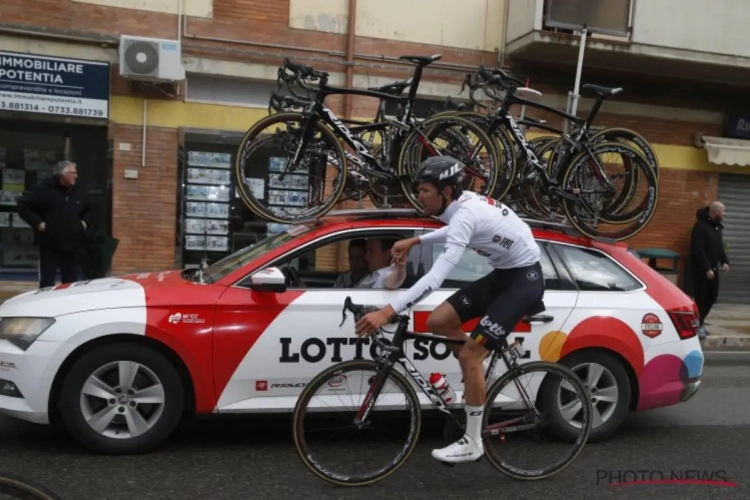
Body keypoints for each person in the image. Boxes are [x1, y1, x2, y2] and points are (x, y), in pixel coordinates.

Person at [355, 155, 544, 464]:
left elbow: (434, 278)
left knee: (470, 355)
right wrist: (417, 240)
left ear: (445, 191)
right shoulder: (458, 206)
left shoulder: (466, 213)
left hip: (524, 280)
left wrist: (387, 311)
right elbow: (454, 230)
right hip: (503, 274)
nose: (418, 197)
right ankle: (477, 379)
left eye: (424, 190)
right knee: (439, 321)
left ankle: (473, 441)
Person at [16, 160, 92, 288]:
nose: (76, 176)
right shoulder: (43, 190)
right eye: (72, 173)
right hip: (49, 242)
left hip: (72, 242)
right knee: (47, 280)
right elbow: (24, 207)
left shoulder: (79, 192)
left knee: (70, 281)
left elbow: (89, 210)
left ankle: (68, 305)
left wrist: (84, 223)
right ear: (62, 175)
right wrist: (38, 223)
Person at [689, 201, 729, 339]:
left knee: (712, 296)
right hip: (701, 270)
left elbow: (719, 247)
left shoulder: (717, 228)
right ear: (717, 212)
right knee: (701, 297)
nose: (724, 214)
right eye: (723, 211)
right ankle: (696, 325)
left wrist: (724, 261)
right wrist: (706, 268)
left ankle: (699, 322)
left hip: (713, 269)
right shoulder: (700, 227)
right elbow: (698, 249)